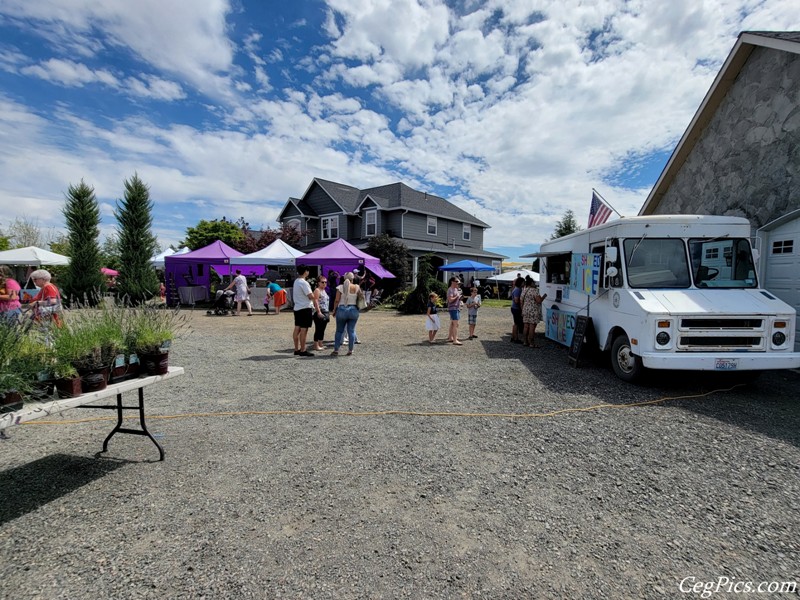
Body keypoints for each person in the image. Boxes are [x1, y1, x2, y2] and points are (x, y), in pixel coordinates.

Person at [332, 271, 364, 356]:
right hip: (353, 309)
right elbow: (361, 299)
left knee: (339, 331)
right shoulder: (357, 287)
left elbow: (336, 300)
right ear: (352, 279)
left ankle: (336, 350)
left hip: (342, 309)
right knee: (351, 331)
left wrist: (334, 310)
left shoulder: (340, 287)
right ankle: (350, 350)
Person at [292, 265, 316, 357]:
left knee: (297, 328)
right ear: (306, 271)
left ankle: (296, 349)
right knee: (304, 330)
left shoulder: (296, 281)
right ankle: (303, 349)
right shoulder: (304, 282)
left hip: (297, 307)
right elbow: (310, 296)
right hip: (305, 307)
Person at [520, 276, 546, 347]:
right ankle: (531, 343)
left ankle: (525, 341)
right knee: (532, 327)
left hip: (525, 310)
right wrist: (544, 296)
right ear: (531, 283)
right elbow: (538, 301)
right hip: (533, 311)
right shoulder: (535, 291)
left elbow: (521, 301)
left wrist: (522, 309)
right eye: (534, 282)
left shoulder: (524, 290)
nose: (535, 284)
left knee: (525, 327)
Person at [312, 275, 330, 351]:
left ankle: (320, 343)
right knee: (318, 328)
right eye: (322, 282)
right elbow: (315, 301)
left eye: (325, 282)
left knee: (322, 328)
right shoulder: (317, 290)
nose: (324, 283)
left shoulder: (324, 290)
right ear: (318, 283)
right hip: (319, 311)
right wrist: (318, 311)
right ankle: (316, 345)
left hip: (325, 311)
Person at [446, 276, 463, 345]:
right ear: (452, 282)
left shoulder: (456, 289)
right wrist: (457, 296)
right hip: (453, 308)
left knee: (453, 323)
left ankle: (450, 337)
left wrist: (460, 299)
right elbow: (450, 300)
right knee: (455, 324)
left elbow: (456, 298)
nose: (458, 283)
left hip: (456, 308)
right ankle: (455, 340)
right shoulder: (450, 290)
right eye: (456, 281)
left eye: (458, 282)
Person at [510, 276, 524, 343]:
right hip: (516, 308)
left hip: (514, 308)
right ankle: (516, 338)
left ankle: (513, 336)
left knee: (515, 323)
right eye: (523, 282)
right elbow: (516, 300)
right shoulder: (518, 290)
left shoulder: (515, 289)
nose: (524, 283)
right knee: (517, 323)